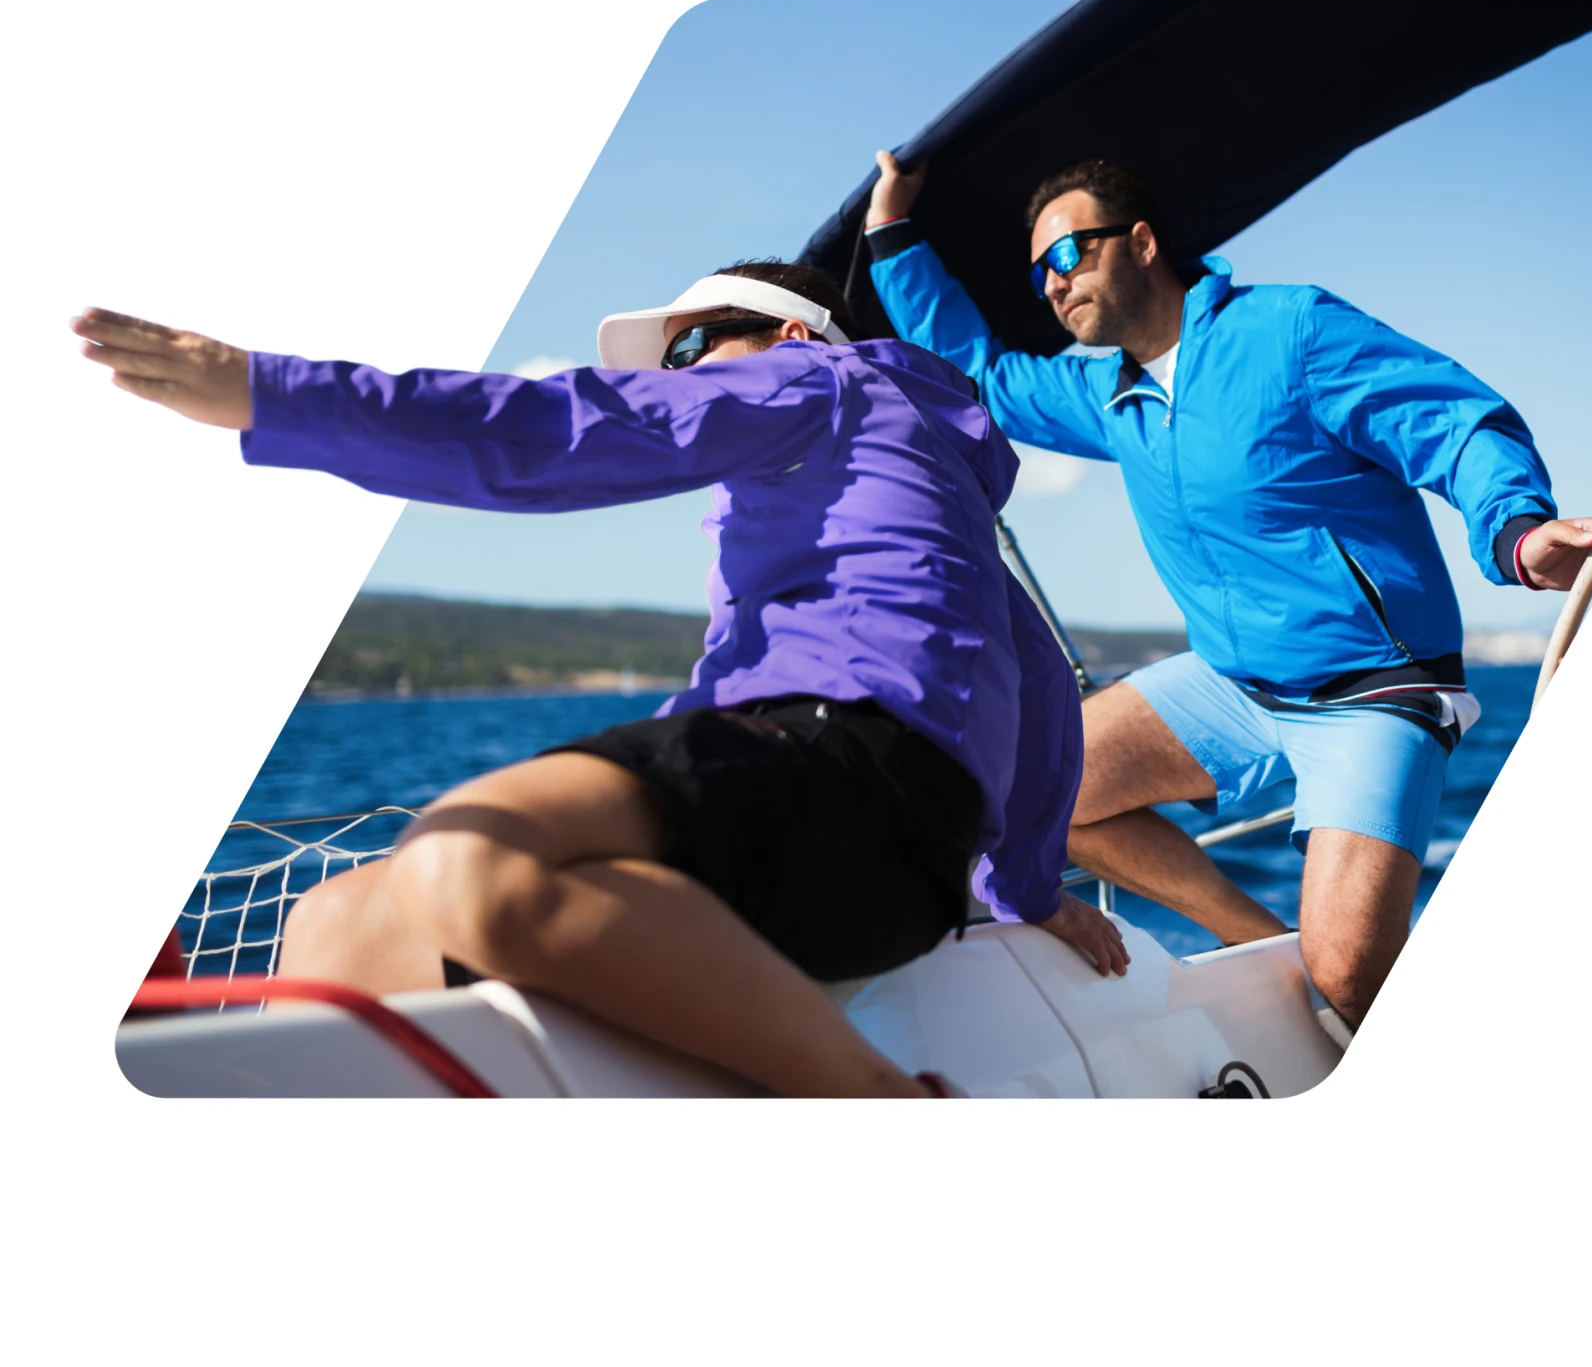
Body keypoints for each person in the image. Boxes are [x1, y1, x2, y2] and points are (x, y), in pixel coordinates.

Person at [74, 260, 1128, 1098]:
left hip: (836, 782)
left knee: (463, 858)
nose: (679, 380)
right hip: (883, 873)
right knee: (333, 927)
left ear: (793, 338)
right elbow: (1036, 692)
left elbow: (554, 433)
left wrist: (267, 393)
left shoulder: (823, 378)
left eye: (697, 349)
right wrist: (1025, 893)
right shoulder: (937, 501)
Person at [864, 154, 1592, 1041]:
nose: (1052, 282)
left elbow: (1449, 423)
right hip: (1232, 683)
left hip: (1371, 688)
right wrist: (891, 235)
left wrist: (1518, 533)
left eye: (1067, 252)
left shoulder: (1289, 330)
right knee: (1033, 791)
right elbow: (978, 370)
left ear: (1141, 242)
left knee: (1351, 969)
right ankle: (1262, 945)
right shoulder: (1106, 395)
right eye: (1038, 271)